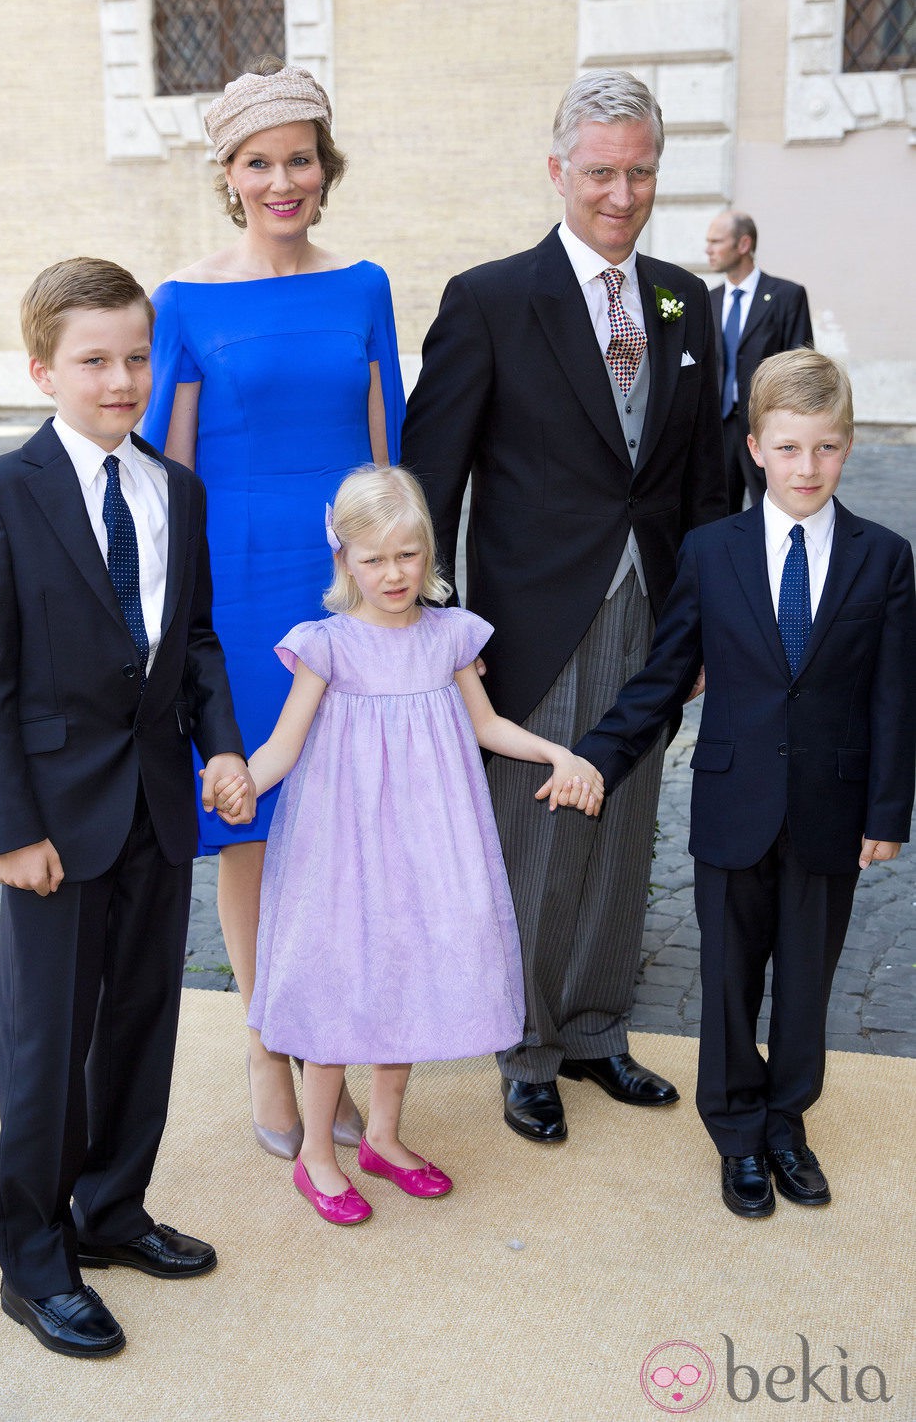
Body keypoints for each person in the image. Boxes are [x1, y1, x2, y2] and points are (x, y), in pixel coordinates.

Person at [401, 70, 727, 1145]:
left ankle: (593, 1027)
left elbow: (702, 478)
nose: (620, 194)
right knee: (536, 825)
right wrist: (436, 627)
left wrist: (704, 619)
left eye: (639, 171)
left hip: (653, 604)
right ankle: (526, 1043)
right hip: (530, 618)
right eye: (599, 172)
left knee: (624, 820)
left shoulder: (686, 298)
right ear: (557, 171)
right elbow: (429, 477)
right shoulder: (489, 298)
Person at [0, 258, 255, 1356]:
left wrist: (222, 746)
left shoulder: (177, 488)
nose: (119, 379)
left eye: (134, 357)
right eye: (93, 360)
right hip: (53, 826)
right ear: (43, 368)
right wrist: (10, 829)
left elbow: (198, 640)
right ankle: (32, 1258)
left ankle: (111, 1210)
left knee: (138, 1023)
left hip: (158, 807)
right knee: (47, 1038)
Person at [212, 466, 604, 1224]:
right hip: (343, 844)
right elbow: (283, 746)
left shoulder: (450, 637)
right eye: (374, 558)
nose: (393, 574)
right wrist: (240, 782)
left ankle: (384, 1138)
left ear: (429, 553)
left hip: (431, 837)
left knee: (410, 974)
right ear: (344, 560)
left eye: (408, 555)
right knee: (339, 985)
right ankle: (317, 1154)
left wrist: (557, 754)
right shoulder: (327, 646)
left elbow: (486, 726)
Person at [575, 349, 916, 1216]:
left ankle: (786, 1123)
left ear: (848, 447)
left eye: (827, 448)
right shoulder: (712, 550)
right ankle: (735, 1131)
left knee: (807, 980)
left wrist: (887, 811)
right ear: (756, 447)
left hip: (832, 808)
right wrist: (599, 756)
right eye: (791, 447)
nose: (809, 468)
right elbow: (664, 674)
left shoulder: (884, 559)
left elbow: (893, 696)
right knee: (728, 978)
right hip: (732, 804)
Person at [142, 57, 405, 1158]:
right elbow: (170, 465)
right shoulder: (187, 299)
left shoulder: (364, 287)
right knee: (247, 817)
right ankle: (265, 1039)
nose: (282, 178)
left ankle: (329, 1036)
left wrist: (408, 593)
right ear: (230, 174)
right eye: (260, 161)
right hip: (239, 588)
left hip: (344, 583)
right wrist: (171, 615)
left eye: (299, 157)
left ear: (323, 167)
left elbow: (390, 442)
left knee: (343, 818)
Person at [706, 209, 813, 513]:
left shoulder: (786, 295)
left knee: (778, 509)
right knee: (717, 513)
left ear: (743, 244)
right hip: (720, 428)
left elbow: (800, 367)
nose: (708, 249)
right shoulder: (707, 299)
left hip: (769, 427)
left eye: (716, 241)